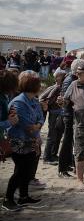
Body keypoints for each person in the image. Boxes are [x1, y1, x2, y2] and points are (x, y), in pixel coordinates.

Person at [2, 71, 44, 211]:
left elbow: (40, 119)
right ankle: (8, 199)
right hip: (19, 141)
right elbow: (27, 126)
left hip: (31, 141)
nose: (41, 86)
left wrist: (37, 126)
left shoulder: (34, 100)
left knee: (28, 170)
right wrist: (36, 128)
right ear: (33, 85)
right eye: (38, 84)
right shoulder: (19, 102)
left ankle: (24, 196)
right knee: (20, 171)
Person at [57, 59, 84, 178]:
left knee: (74, 142)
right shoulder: (70, 80)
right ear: (77, 70)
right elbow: (65, 100)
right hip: (69, 115)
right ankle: (62, 169)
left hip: (74, 115)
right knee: (67, 142)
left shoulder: (74, 79)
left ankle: (74, 165)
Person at [39, 69, 66, 164]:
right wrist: (47, 106)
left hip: (58, 113)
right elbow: (42, 98)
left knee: (57, 135)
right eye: (63, 76)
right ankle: (47, 157)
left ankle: (53, 155)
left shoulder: (60, 87)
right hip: (54, 114)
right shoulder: (56, 87)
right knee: (52, 135)